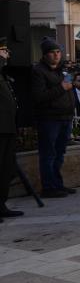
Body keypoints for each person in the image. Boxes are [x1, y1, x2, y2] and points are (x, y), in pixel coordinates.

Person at [30, 39, 76, 198]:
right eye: (52, 52)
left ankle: (58, 184)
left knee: (59, 153)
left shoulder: (64, 70)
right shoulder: (38, 71)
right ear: (45, 55)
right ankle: (48, 187)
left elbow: (69, 88)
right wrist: (61, 88)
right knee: (48, 154)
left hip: (65, 117)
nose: (56, 55)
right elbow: (39, 97)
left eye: (58, 52)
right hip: (49, 119)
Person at [0, 38, 23, 218]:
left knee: (6, 168)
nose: (7, 54)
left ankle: (1, 205)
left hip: (7, 128)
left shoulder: (3, 75)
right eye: (4, 51)